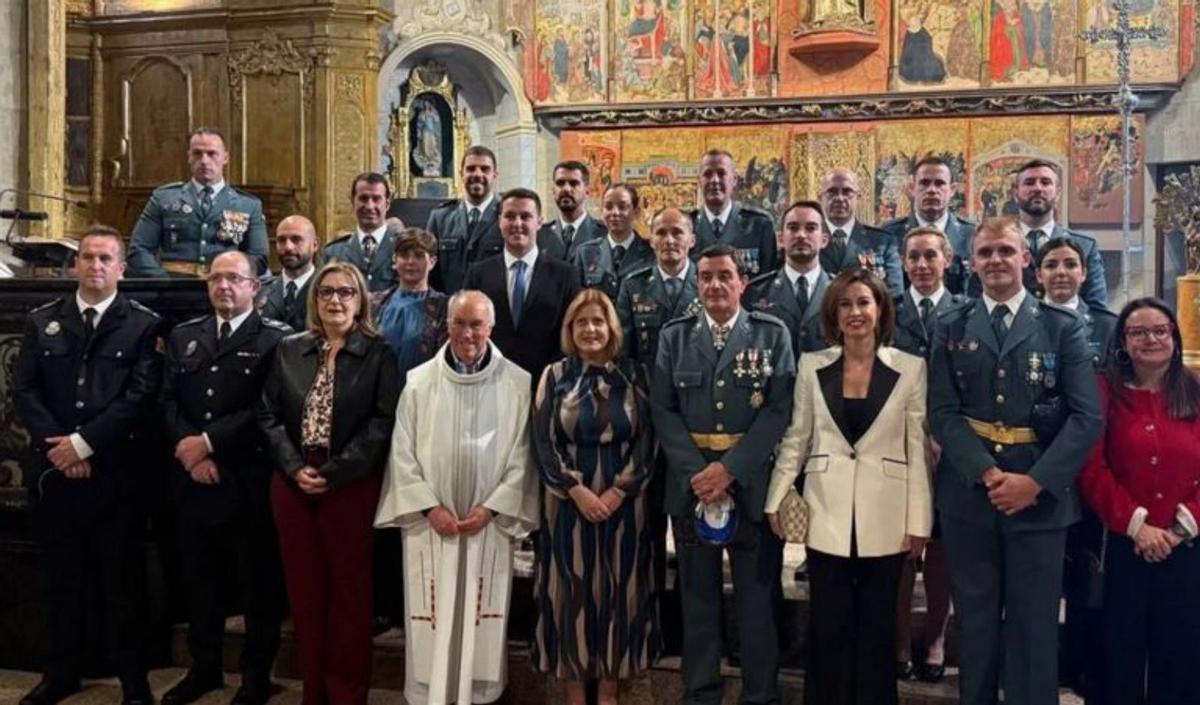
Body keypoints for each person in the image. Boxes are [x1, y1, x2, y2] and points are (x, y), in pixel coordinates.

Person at [929, 217, 1102, 705]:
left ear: (1026, 259)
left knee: (1034, 626)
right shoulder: (951, 325)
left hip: (1040, 501)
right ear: (971, 263)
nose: (995, 261)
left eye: (1006, 251)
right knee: (975, 622)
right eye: (985, 253)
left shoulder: (1060, 326)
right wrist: (986, 473)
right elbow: (941, 412)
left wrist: (1035, 482)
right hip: (971, 496)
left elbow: (1086, 417)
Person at [765, 268, 931, 705]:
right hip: (827, 511)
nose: (855, 312)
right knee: (828, 627)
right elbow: (797, 437)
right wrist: (776, 496)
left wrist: (919, 522)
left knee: (877, 628)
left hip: (887, 515)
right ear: (833, 314)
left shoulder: (910, 369)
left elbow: (916, 450)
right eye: (845, 304)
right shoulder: (812, 366)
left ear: (880, 310)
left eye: (863, 302)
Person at [13, 225, 162, 705]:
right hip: (54, 472)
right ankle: (61, 674)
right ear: (74, 264)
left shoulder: (143, 325)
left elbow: (140, 395)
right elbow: (25, 390)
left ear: (122, 268)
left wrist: (84, 444)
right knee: (61, 580)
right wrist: (61, 449)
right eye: (88, 257)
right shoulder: (43, 321)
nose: (96, 266)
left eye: (105, 259)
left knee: (122, 582)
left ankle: (133, 680)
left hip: (114, 473)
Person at [374, 290, 538, 705]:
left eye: (476, 324)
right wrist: (429, 507)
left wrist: (492, 508)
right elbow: (402, 452)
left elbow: (523, 454)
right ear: (446, 326)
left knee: (482, 616)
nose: (467, 333)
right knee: (431, 614)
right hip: (432, 524)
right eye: (460, 324)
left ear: (491, 328)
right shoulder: (419, 381)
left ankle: (478, 697)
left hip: (487, 524)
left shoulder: (517, 383)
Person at [650, 243, 795, 705]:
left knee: (757, 601)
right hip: (692, 487)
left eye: (724, 276)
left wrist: (729, 470)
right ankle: (700, 694)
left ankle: (761, 695)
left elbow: (779, 410)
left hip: (750, 485)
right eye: (706, 277)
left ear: (742, 283)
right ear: (697, 284)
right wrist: (700, 474)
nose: (715, 285)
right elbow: (663, 410)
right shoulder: (674, 337)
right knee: (698, 601)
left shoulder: (771, 334)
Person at [257, 261, 400, 705]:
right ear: (314, 301)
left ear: (360, 301)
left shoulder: (379, 353)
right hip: (293, 482)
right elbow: (267, 415)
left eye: (345, 292)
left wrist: (334, 472)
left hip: (350, 485)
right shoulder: (289, 349)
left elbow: (383, 422)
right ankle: (313, 692)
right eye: (326, 292)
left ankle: (346, 694)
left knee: (349, 596)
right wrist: (293, 466)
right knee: (304, 593)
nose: (335, 300)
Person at [160, 251, 291, 705]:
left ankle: (257, 676)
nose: (223, 286)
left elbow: (268, 407)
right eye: (216, 278)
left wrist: (209, 442)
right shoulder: (185, 336)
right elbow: (167, 400)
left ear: (255, 287)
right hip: (194, 478)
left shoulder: (277, 339)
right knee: (201, 580)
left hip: (248, 477)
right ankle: (205, 668)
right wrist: (191, 451)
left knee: (258, 584)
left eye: (234, 278)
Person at [532, 289, 659, 705]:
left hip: (625, 507)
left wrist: (620, 490)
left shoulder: (634, 375)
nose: (590, 329)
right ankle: (574, 694)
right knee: (570, 594)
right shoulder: (554, 376)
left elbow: (648, 439)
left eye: (598, 321)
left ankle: (608, 693)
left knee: (620, 594)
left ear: (611, 328)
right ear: (570, 329)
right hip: (568, 506)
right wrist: (577, 490)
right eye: (581, 322)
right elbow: (543, 441)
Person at [1079, 298, 1200, 705]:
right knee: (1119, 656)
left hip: (1187, 547)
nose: (1151, 339)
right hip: (1122, 545)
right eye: (1139, 332)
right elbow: (1091, 467)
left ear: (1174, 337)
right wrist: (1137, 525)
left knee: (1182, 656)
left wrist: (1180, 528)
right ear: (1123, 342)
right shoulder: (1104, 392)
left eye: (1160, 330)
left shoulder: (1196, 392)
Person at [891, 226, 962, 683]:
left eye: (930, 256)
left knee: (941, 548)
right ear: (903, 262)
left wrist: (943, 436)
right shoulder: (887, 311)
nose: (921, 265)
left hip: (949, 449)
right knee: (900, 546)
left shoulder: (965, 311)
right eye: (913, 257)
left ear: (947, 260)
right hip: (895, 445)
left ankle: (936, 635)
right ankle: (899, 638)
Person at [463, 188, 582, 386]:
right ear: (499, 221)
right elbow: (469, 329)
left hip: (548, 384)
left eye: (526, 216)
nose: (517, 224)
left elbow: (572, 334)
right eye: (510, 216)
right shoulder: (478, 274)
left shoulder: (565, 275)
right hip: (490, 383)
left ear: (539, 222)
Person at [128, 127, 268, 277]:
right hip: (172, 285)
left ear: (225, 158)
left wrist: (232, 278)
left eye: (212, 153)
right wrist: (163, 281)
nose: (204, 161)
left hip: (225, 285)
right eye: (197, 153)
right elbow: (139, 249)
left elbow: (258, 257)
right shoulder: (163, 199)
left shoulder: (247, 205)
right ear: (189, 157)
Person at [969, 159, 1108, 307]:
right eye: (1029, 183)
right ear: (1015, 193)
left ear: (1058, 193)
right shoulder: (991, 246)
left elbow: (1096, 308)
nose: (1038, 188)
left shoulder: (1085, 246)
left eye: (1045, 182)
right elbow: (976, 303)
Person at [744, 200, 833, 358]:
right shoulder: (755, 292)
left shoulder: (840, 291)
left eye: (811, 228)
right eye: (793, 228)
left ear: (824, 240)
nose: (801, 235)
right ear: (780, 239)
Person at [881, 156, 975, 294]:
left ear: (952, 190)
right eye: (924, 183)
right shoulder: (889, 235)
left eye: (939, 183)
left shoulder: (972, 235)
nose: (932, 190)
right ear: (912, 188)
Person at [371, 227, 449, 380]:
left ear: (432, 262)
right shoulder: (374, 303)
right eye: (404, 255)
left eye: (419, 255)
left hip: (424, 387)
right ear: (395, 260)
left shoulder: (444, 307)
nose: (410, 261)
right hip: (377, 388)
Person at [427, 145, 504, 294]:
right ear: (461, 173)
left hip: (491, 306)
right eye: (471, 169)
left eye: (485, 169)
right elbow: (430, 272)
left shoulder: (507, 217)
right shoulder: (440, 218)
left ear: (495, 175)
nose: (477, 174)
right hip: (450, 304)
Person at [689, 149, 777, 276]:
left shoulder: (759, 225)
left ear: (734, 180)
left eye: (721, 173)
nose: (714, 180)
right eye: (707, 174)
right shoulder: (686, 226)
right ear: (699, 181)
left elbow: (768, 277)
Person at [1035, 235, 1117, 370]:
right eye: (1051, 265)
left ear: (1083, 273)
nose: (1061, 272)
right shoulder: (1021, 321)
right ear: (1039, 275)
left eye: (1070, 265)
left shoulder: (1107, 326)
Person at [818, 167, 903, 295]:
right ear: (821, 197)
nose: (840, 198)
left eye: (847, 192)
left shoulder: (883, 241)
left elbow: (895, 294)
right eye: (832, 192)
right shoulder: (809, 240)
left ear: (858, 196)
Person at [574, 182, 654, 300]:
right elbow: (578, 300)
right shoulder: (585, 253)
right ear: (602, 211)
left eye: (622, 207)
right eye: (608, 207)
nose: (615, 213)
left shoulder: (651, 253)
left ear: (636, 211)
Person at [322, 172, 399, 292]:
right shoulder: (333, 253)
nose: (369, 206)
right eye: (363, 198)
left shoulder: (402, 249)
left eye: (376, 199)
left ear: (387, 204)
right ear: (353, 202)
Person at [258, 214, 319, 332]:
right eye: (281, 240)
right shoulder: (260, 291)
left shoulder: (326, 290)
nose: (288, 247)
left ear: (315, 245)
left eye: (296, 240)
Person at [537, 160, 607, 262]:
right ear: (553, 190)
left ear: (587, 192)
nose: (566, 189)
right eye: (560, 183)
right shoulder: (540, 235)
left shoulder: (604, 234)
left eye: (574, 183)